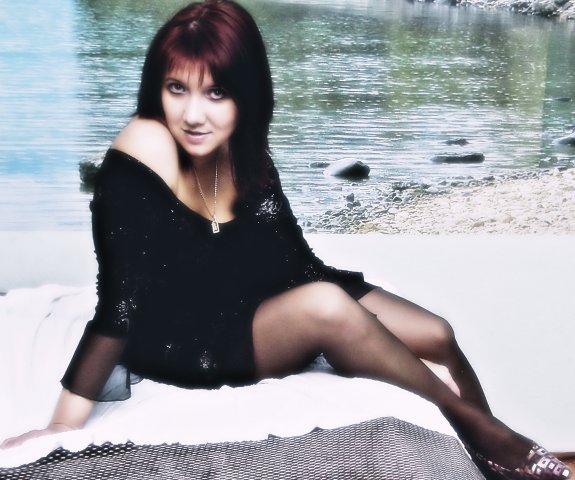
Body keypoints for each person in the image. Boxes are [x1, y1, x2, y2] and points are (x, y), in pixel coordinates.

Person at [1, 1, 571, 478]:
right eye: (177, 89)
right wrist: (62, 424)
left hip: (243, 304)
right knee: (325, 306)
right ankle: (491, 437)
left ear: (246, 94)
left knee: (436, 333)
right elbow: (120, 302)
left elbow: (292, 260)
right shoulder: (144, 145)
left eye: (216, 93)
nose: (192, 115)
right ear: (158, 89)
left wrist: (362, 316)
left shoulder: (246, 151)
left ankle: (489, 466)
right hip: (182, 340)